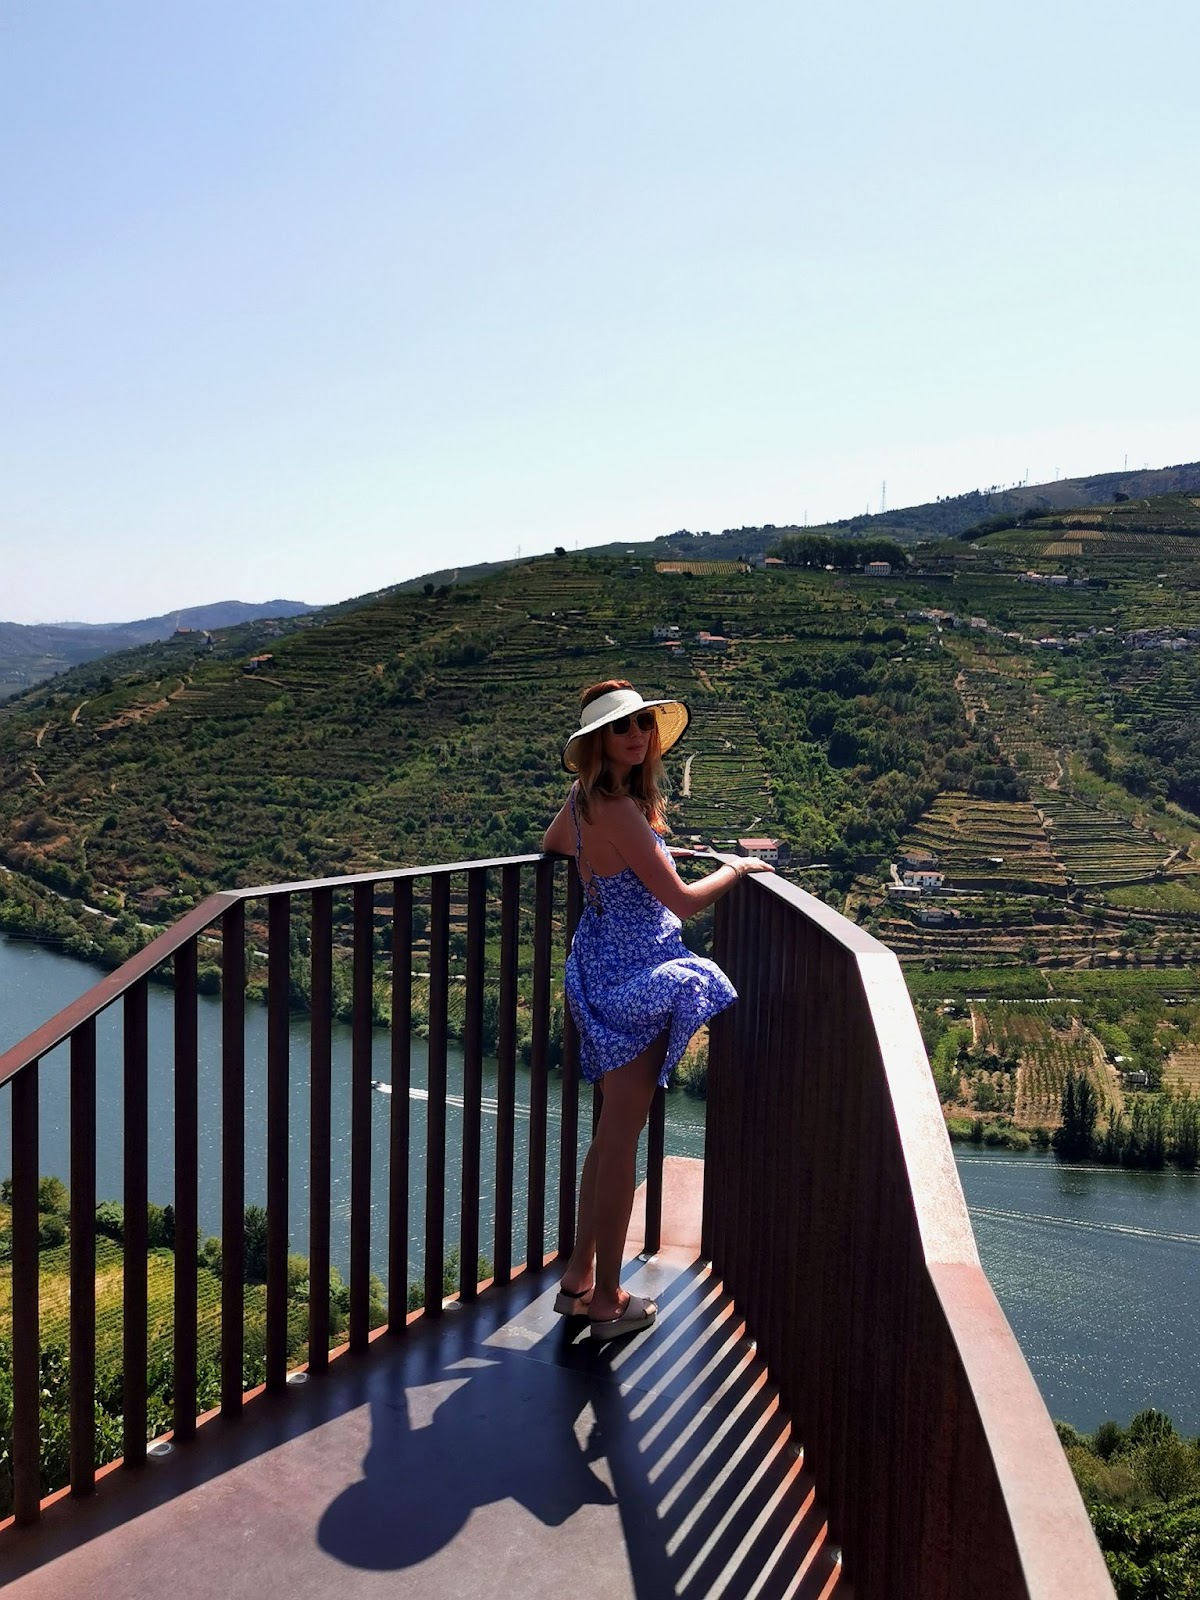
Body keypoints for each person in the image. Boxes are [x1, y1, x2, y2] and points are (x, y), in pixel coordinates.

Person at [542, 679, 774, 1341]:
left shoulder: (584, 800)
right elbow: (682, 902)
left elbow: (556, 845)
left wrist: (620, 869)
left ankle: (578, 1278)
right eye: (622, 729)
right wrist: (734, 869)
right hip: (638, 979)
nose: (637, 736)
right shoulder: (617, 809)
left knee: (609, 1140)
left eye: (643, 724)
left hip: (598, 968)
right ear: (598, 742)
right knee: (620, 1145)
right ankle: (610, 1301)